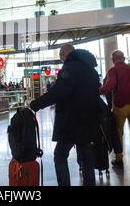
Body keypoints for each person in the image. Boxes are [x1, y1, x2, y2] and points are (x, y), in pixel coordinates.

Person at [30, 44, 100, 186]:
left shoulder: (70, 68)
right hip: (89, 119)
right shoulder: (91, 69)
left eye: (61, 56)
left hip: (72, 121)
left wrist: (36, 104)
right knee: (86, 156)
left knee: (60, 155)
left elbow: (59, 92)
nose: (61, 59)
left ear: (64, 54)